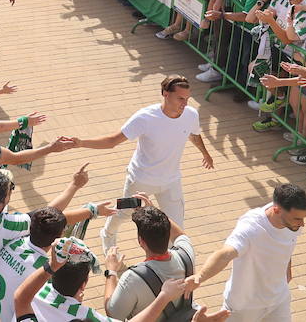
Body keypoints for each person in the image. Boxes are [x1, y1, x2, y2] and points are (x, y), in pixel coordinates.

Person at [81, 76, 213, 242]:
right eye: (180, 98)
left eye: (187, 99)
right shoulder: (145, 117)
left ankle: (174, 260)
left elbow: (193, 134)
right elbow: (112, 141)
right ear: (165, 93)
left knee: (176, 226)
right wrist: (80, 143)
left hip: (171, 182)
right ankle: (107, 233)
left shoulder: (191, 114)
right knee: (123, 213)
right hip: (140, 180)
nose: (185, 104)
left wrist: (205, 153)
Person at [185, 182, 306, 322]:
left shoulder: (292, 221)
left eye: (303, 218)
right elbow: (225, 254)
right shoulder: (251, 227)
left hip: (278, 301)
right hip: (244, 307)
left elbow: (288, 242)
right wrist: (200, 276)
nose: (302, 224)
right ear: (276, 210)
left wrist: (286, 267)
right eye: (298, 219)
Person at [103, 196, 196, 321]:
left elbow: (113, 314)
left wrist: (111, 272)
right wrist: (154, 212)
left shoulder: (132, 278)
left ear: (141, 241)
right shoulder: (186, 254)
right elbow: (180, 235)